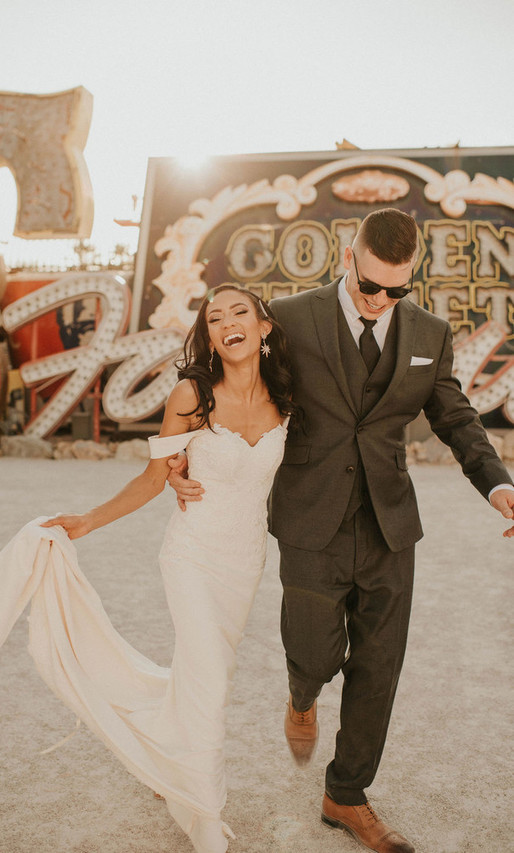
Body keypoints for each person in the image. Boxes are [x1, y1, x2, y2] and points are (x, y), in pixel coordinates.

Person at [169, 209, 514, 853]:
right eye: (370, 286)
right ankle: (303, 693)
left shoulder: (429, 334)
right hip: (308, 518)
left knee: (380, 665)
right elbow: (224, 366)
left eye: (397, 290)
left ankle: (345, 794)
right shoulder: (290, 319)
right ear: (348, 259)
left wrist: (499, 484)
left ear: (412, 278)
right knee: (315, 651)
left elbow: (458, 418)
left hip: (390, 525)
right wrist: (179, 446)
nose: (380, 301)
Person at [0, 284, 297, 853]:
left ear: (264, 328)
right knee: (207, 680)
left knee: (207, 677)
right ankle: (206, 818)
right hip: (192, 557)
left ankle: (162, 752)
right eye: (214, 318)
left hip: (246, 562)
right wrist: (87, 521)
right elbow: (155, 478)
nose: (227, 322)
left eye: (240, 313)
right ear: (208, 335)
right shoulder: (191, 394)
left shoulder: (287, 397)